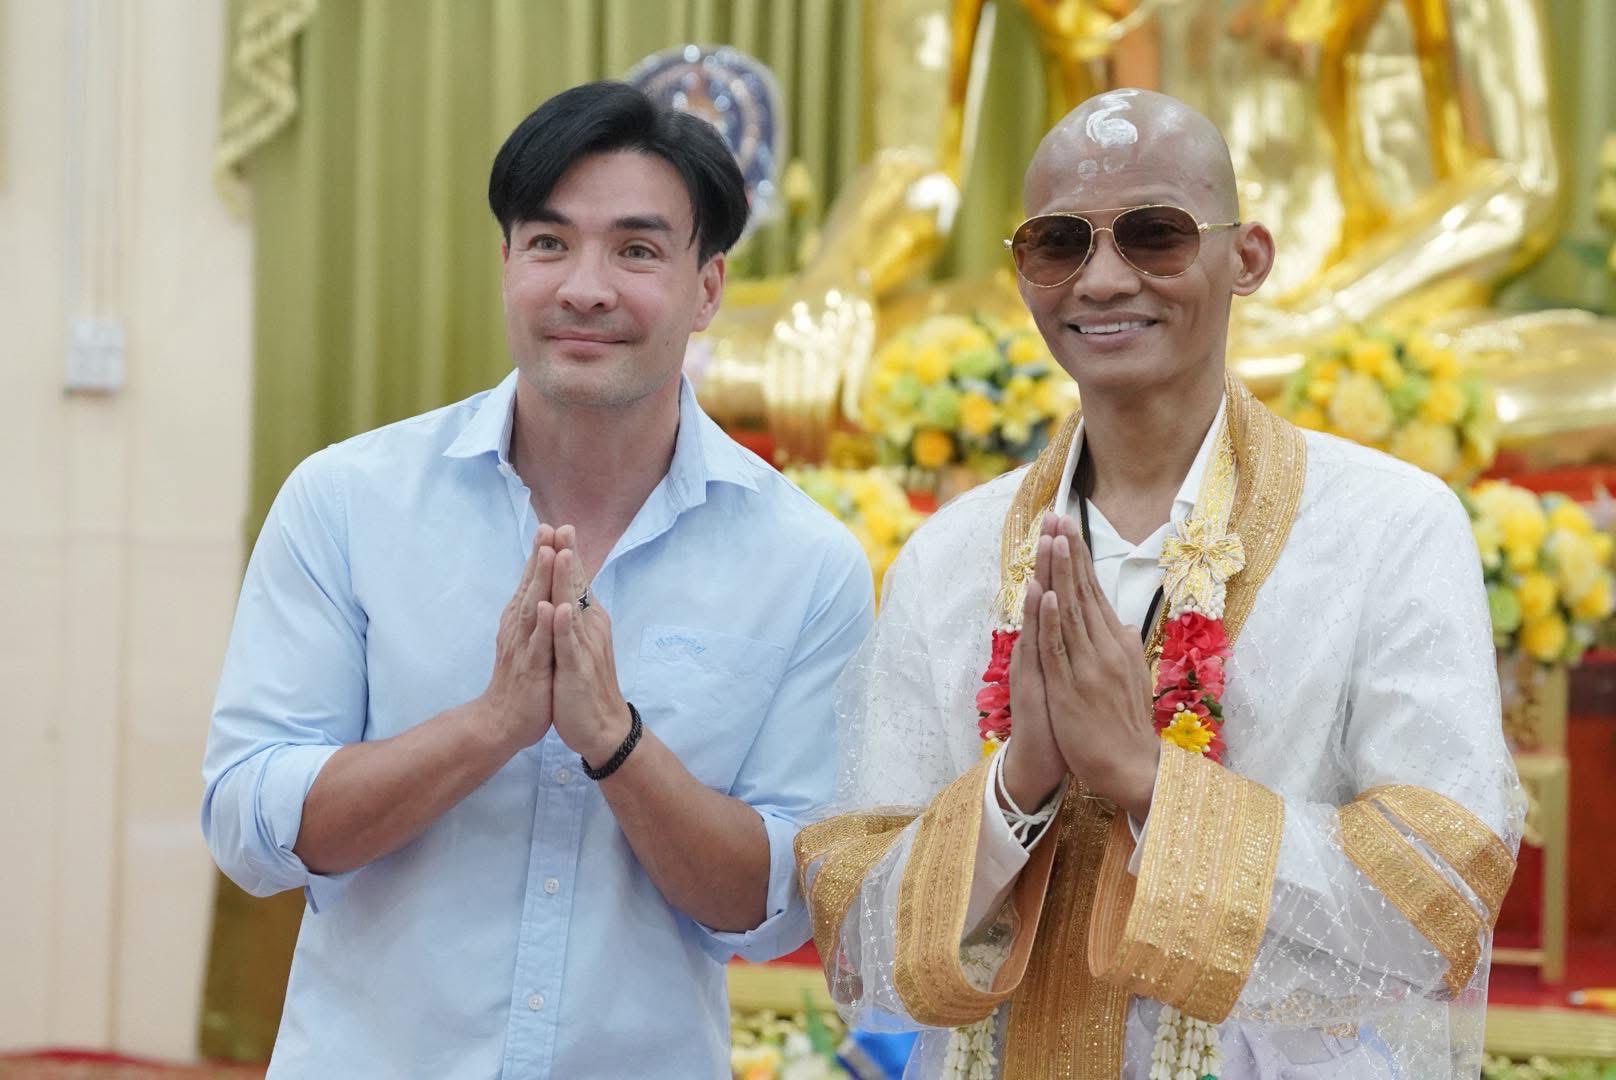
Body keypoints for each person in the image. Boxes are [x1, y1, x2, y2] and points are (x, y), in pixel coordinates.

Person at [797, 89, 1521, 1079]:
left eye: (1153, 236)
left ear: (1248, 257)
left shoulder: (1387, 526)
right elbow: (853, 921)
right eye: (1058, 243)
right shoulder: (951, 556)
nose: (1100, 279)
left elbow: (1439, 885)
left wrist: (1145, 780)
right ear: (1020, 273)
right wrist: (1017, 787)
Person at [202, 81, 873, 1079]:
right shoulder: (348, 500)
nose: (585, 288)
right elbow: (248, 820)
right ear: (506, 263)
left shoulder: (803, 562)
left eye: (637, 250)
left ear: (707, 287)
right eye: (549, 243)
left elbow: (774, 904)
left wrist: (616, 743)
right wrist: (490, 727)